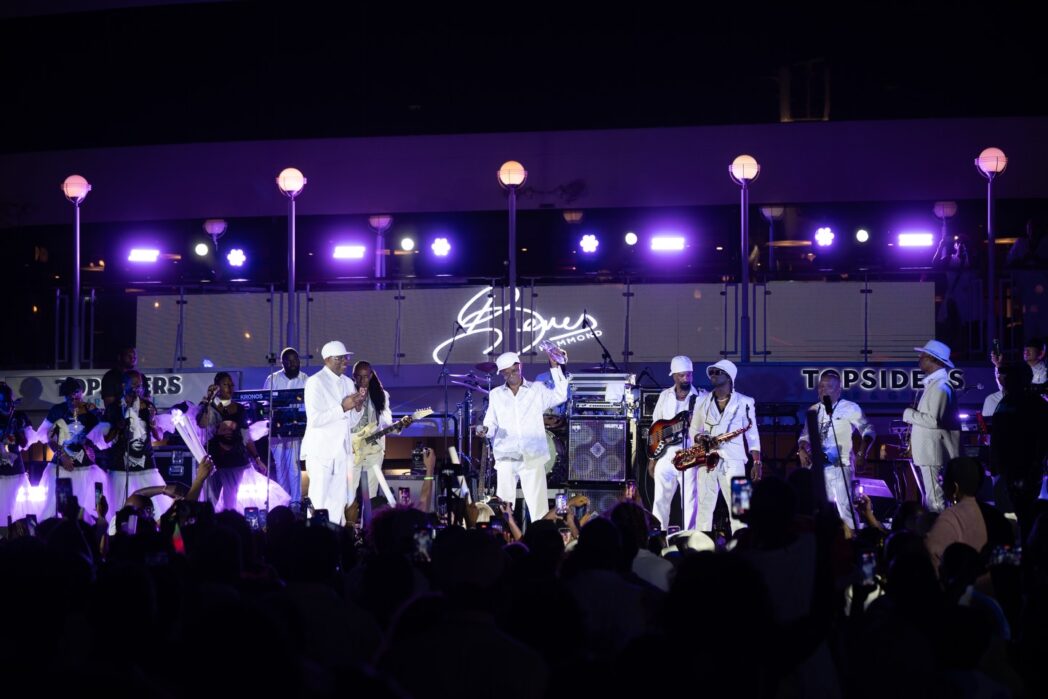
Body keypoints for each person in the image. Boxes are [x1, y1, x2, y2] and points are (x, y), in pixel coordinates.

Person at [476, 350, 567, 523]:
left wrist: (555, 368)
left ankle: (540, 537)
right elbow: (491, 424)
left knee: (539, 509)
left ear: (520, 366)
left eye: (514, 370)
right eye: (506, 373)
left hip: (532, 454)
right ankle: (504, 536)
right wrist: (485, 430)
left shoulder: (536, 389)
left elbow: (560, 395)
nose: (511, 375)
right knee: (504, 507)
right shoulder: (496, 394)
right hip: (506, 455)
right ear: (501, 374)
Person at [688, 359, 762, 533]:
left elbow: (752, 434)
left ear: (729, 377)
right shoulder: (701, 401)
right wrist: (699, 438)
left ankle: (742, 543)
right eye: (711, 372)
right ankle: (702, 544)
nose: (713, 375)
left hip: (735, 461)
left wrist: (757, 461)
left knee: (740, 508)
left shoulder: (746, 401)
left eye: (717, 372)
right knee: (704, 507)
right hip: (707, 459)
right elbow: (694, 429)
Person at [798, 369, 875, 529]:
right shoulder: (813, 410)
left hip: (840, 466)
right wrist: (802, 449)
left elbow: (868, 429)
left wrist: (862, 452)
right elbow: (805, 436)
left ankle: (852, 538)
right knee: (820, 509)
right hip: (817, 468)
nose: (823, 390)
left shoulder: (850, 407)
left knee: (845, 509)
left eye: (828, 386)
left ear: (839, 390)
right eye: (821, 386)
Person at [301, 341, 366, 525]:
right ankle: (315, 536)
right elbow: (315, 419)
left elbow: (350, 422)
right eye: (340, 358)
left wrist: (358, 408)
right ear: (327, 359)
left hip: (342, 453)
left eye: (346, 357)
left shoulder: (348, 382)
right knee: (319, 499)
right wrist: (342, 408)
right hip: (321, 452)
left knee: (338, 501)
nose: (345, 361)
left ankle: (335, 537)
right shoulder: (315, 382)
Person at [100, 370, 172, 524]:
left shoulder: (148, 406)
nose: (137, 389)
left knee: (156, 511)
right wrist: (118, 426)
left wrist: (152, 422)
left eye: (139, 386)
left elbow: (159, 436)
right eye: (133, 385)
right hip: (121, 468)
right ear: (123, 385)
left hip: (146, 466)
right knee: (120, 512)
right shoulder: (114, 408)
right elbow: (107, 439)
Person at [37, 377, 109, 520]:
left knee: (89, 508)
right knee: (58, 506)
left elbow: (104, 434)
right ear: (64, 396)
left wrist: (97, 414)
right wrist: (63, 456)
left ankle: (88, 530)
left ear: (82, 393)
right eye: (69, 396)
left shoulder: (90, 410)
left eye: (76, 395)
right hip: (61, 466)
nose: (73, 399)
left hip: (86, 467)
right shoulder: (58, 410)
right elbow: (48, 438)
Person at [903, 340, 961, 513]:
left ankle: (939, 527)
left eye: (923, 356)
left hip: (933, 454)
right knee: (933, 498)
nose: (919, 358)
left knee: (935, 500)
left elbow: (933, 421)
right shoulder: (936, 385)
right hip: (930, 454)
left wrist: (908, 414)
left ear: (933, 359)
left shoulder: (941, 386)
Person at [647, 355, 705, 530]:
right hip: (665, 455)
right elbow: (655, 427)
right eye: (681, 375)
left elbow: (709, 427)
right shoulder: (665, 396)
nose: (686, 379)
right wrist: (652, 459)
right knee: (660, 500)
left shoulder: (701, 397)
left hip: (689, 454)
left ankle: (689, 536)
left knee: (690, 500)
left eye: (689, 375)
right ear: (673, 376)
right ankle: (659, 535)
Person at [350, 360, 412, 507]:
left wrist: (400, 425)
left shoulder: (381, 395)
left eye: (366, 376)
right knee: (349, 493)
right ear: (354, 376)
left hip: (374, 449)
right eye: (359, 376)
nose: (362, 380)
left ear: (371, 375)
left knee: (371, 495)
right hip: (352, 449)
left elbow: (386, 424)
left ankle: (369, 521)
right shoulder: (348, 393)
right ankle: (347, 521)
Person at [924, 457, 989, 573]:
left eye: (943, 482)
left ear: (955, 487)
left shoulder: (950, 518)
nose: (942, 487)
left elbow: (930, 559)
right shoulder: (992, 515)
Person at [263, 347, 307, 502]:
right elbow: (265, 403)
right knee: (280, 466)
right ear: (283, 363)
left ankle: (295, 502)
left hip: (295, 430)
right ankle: (283, 501)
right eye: (289, 361)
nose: (293, 364)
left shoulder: (305, 379)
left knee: (294, 466)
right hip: (276, 430)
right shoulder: (272, 379)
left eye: (296, 360)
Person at [0, 382, 34, 524]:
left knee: (14, 509)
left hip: (14, 469)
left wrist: (18, 430)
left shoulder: (19, 416)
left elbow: (25, 444)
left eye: (9, 401)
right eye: (2, 402)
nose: (6, 405)